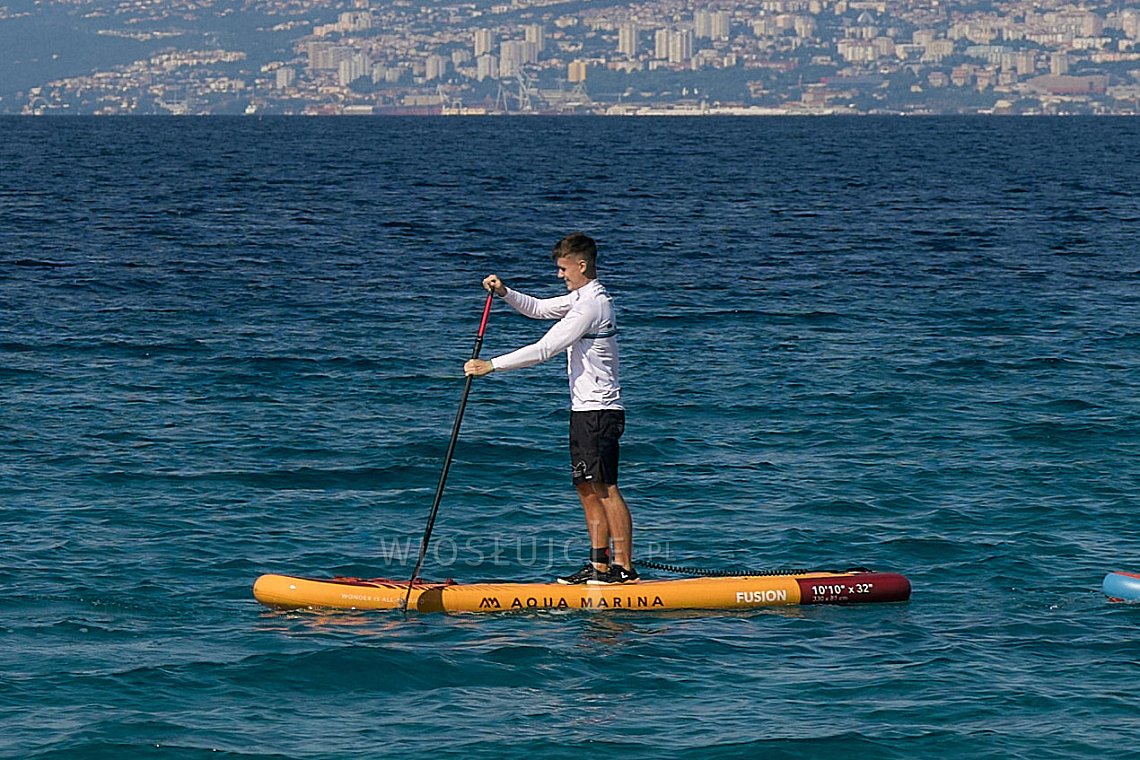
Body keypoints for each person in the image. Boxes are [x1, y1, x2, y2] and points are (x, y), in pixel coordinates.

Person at [464, 232, 637, 585]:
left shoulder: (592, 305)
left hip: (601, 411)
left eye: (563, 268)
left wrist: (492, 365)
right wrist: (506, 293)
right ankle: (600, 566)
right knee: (586, 488)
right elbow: (541, 309)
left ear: (582, 265)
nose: (559, 275)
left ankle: (625, 568)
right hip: (583, 410)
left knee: (605, 488)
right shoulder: (580, 299)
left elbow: (545, 349)